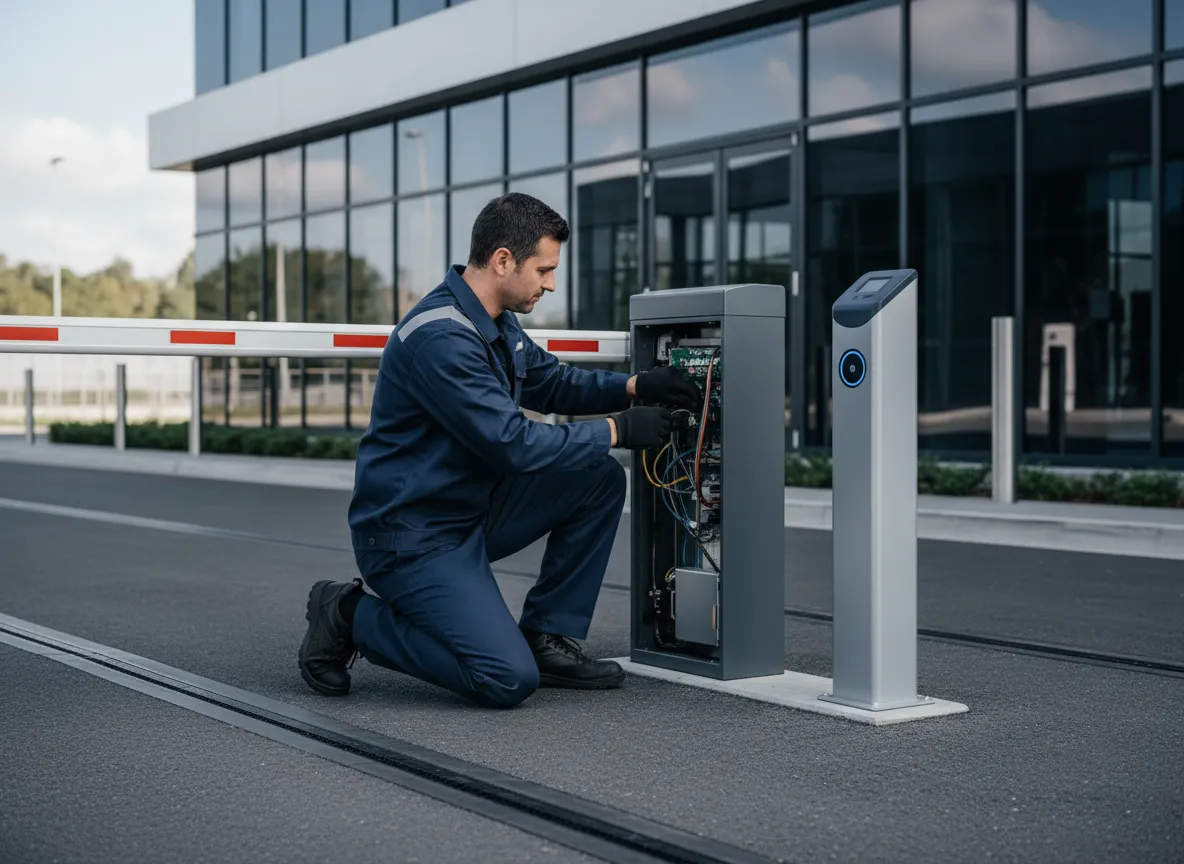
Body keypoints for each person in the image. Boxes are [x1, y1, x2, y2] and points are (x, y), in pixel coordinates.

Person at [297, 192, 701, 709]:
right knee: (504, 678)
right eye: (544, 270)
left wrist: (637, 387)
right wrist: (620, 429)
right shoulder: (441, 337)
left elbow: (551, 383)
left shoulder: (494, 319)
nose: (550, 284)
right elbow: (514, 444)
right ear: (504, 260)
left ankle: (546, 637)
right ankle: (349, 613)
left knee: (596, 478)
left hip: (470, 511)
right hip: (411, 537)